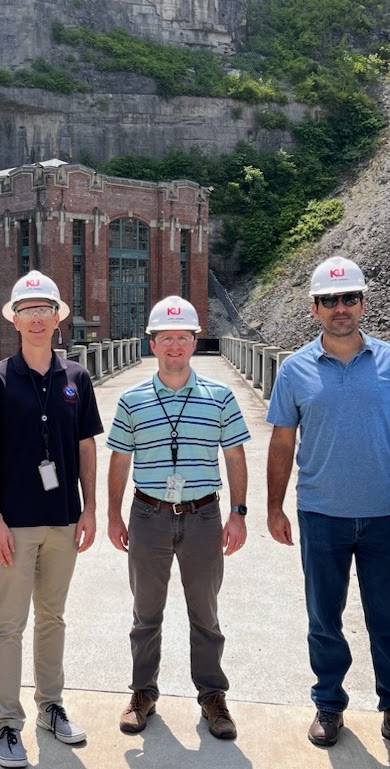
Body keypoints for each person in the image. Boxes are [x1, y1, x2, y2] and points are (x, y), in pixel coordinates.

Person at [265, 257, 390, 762]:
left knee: (389, 619)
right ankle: (329, 703)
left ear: (363, 302)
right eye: (329, 301)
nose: (340, 308)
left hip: (385, 515)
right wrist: (273, 508)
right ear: (313, 308)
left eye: (349, 298)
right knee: (325, 618)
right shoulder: (294, 369)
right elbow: (281, 441)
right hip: (322, 514)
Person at [0, 271, 102, 769]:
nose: (36, 318)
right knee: (9, 623)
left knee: (53, 617)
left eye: (44, 309)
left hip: (64, 519)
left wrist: (90, 508)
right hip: (16, 522)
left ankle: (51, 707)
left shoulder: (77, 378)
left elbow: (87, 447)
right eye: (27, 310)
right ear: (15, 319)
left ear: (56, 318)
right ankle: (7, 725)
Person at [106, 296, 249, 740]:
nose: (174, 346)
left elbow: (235, 456)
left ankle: (212, 695)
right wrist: (113, 514)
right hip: (148, 513)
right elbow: (119, 460)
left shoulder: (219, 397)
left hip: (204, 515)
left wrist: (239, 513)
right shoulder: (132, 401)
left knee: (205, 612)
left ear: (194, 341)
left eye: (182, 338)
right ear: (152, 344)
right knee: (145, 612)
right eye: (165, 338)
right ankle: (142, 692)